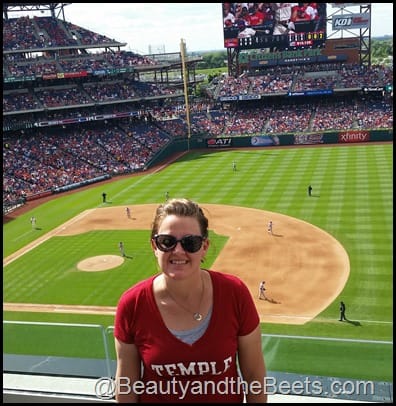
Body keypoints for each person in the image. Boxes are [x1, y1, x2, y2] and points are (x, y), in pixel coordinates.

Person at [114, 198, 267, 403]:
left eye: (190, 242)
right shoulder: (132, 304)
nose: (178, 251)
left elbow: (254, 376)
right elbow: (127, 387)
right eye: (167, 242)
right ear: (154, 246)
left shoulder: (234, 293)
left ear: (204, 247)